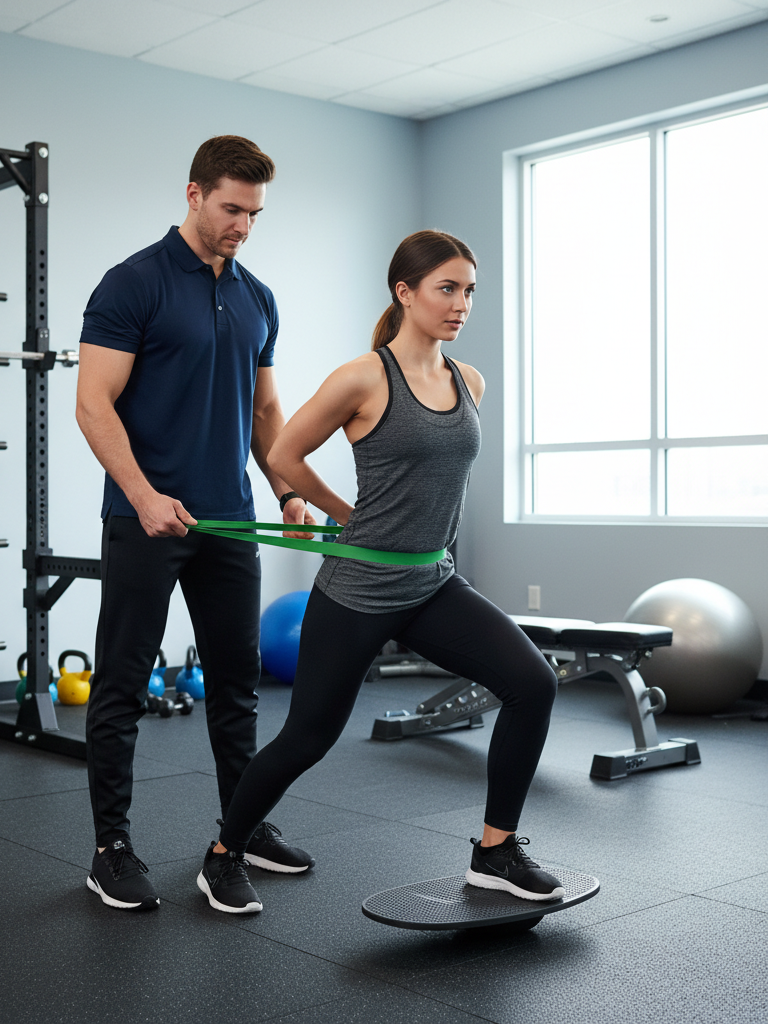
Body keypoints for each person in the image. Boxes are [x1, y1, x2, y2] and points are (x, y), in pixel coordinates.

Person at [196, 230, 564, 915]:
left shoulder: (467, 380)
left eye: (469, 291)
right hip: (359, 590)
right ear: (405, 292)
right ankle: (224, 853)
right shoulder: (364, 376)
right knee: (308, 737)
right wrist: (342, 511)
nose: (461, 304)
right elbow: (283, 453)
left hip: (432, 582)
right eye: (446, 289)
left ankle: (495, 851)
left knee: (532, 684)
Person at [75, 135, 315, 912]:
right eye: (231, 208)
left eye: (255, 213)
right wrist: (143, 495)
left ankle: (241, 831)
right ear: (193, 194)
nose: (243, 225)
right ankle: (111, 847)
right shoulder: (133, 283)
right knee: (119, 685)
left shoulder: (257, 297)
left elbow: (265, 409)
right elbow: (93, 404)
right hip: (145, 519)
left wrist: (285, 487)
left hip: (227, 522)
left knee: (237, 684)